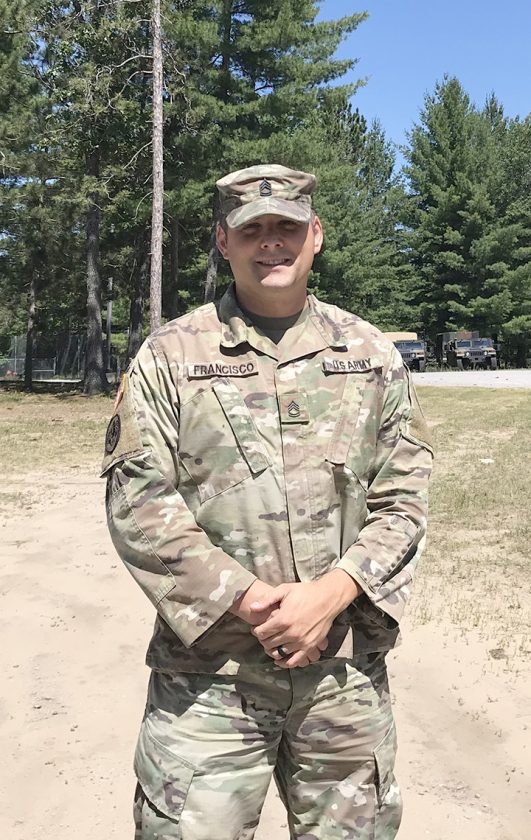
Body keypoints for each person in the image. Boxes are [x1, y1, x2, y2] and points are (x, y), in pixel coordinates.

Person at [102, 164, 433, 840]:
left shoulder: (371, 354)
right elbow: (137, 502)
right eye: (253, 230)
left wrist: (330, 595)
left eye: (287, 226)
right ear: (224, 242)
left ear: (316, 236)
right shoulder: (170, 356)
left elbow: (404, 499)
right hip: (210, 681)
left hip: (342, 676)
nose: (272, 242)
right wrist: (252, 599)